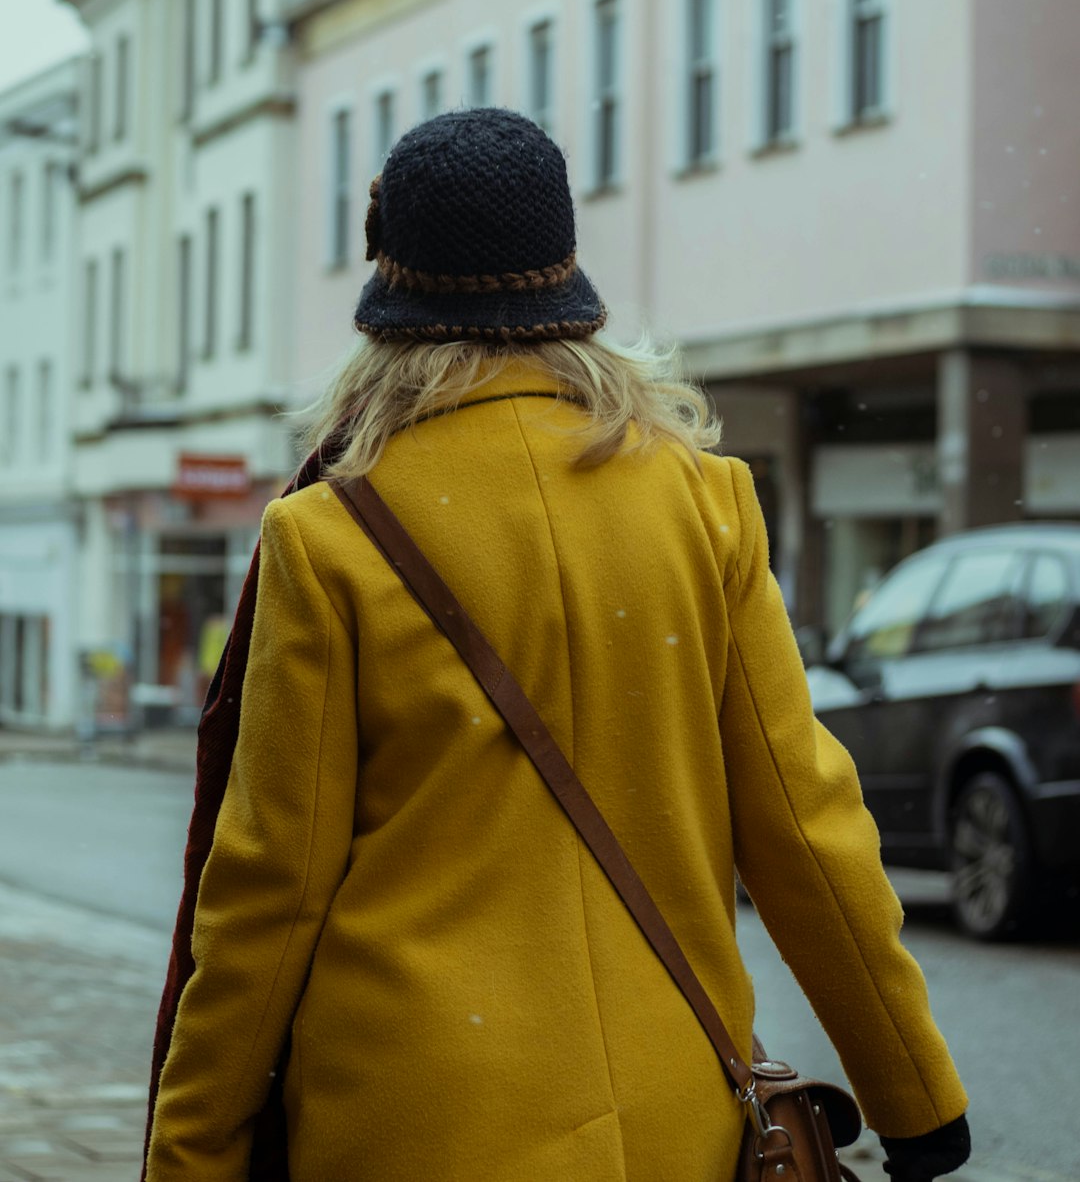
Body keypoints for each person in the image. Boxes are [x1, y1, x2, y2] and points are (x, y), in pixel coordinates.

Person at [144, 109, 970, 1182]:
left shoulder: (330, 535)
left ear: (390, 299)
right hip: (674, 1118)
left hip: (413, 1122)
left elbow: (270, 893)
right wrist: (914, 1095)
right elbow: (803, 824)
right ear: (566, 280)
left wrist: (192, 1149)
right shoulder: (702, 501)